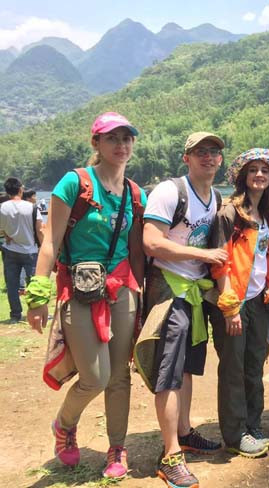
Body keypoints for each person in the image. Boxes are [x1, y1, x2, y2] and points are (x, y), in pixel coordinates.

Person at [25, 112, 146, 479]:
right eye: (112, 138)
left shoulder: (134, 193)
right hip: (79, 289)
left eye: (126, 138)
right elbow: (51, 241)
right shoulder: (74, 183)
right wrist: (38, 295)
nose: (121, 145)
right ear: (96, 143)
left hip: (122, 288)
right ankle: (64, 424)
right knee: (95, 376)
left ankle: (117, 447)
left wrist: (142, 294)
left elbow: (137, 251)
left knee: (119, 375)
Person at [143, 132, 227, 488]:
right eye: (200, 152)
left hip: (194, 293)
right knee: (169, 372)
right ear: (186, 158)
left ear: (220, 160)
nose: (208, 157)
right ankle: (170, 455)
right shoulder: (170, 191)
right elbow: (151, 242)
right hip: (169, 290)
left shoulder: (215, 197)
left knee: (188, 368)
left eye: (214, 152)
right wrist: (202, 254)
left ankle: (185, 432)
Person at [210, 148, 269, 458]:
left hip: (260, 301)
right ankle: (235, 434)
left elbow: (267, 259)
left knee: (255, 364)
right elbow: (221, 263)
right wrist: (230, 307)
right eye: (253, 170)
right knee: (233, 367)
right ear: (243, 176)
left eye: (264, 171)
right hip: (236, 301)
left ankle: (253, 424)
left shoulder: (267, 215)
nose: (259, 175)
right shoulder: (229, 214)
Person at [0, 177, 43, 322]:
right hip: (30, 250)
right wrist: (44, 247)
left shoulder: (2, 207)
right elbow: (39, 230)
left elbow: (1, 228)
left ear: (7, 191)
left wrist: (7, 235)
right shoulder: (32, 207)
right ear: (21, 189)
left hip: (10, 250)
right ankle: (36, 312)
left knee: (12, 285)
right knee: (34, 283)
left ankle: (15, 314)